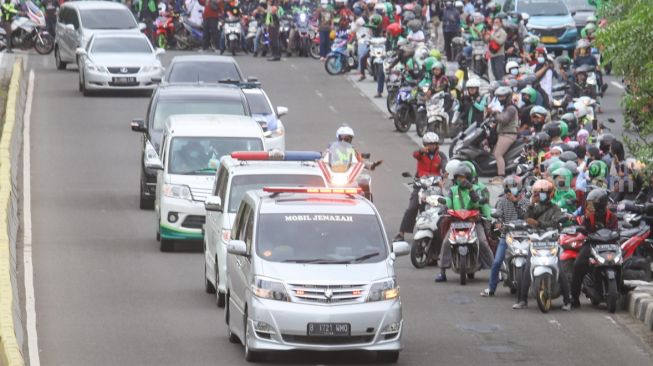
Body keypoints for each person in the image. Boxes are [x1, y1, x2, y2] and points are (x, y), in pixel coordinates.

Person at [514, 179, 572, 310]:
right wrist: (530, 205)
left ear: (550, 194)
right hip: (536, 242)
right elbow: (527, 219)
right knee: (527, 268)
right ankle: (522, 300)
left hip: (551, 242)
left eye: (543, 193)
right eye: (538, 193)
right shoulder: (534, 208)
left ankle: (567, 301)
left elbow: (555, 222)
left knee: (560, 269)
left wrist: (539, 224)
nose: (540, 195)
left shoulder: (555, 208)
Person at [436, 163, 494, 282]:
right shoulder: (453, 190)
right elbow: (449, 201)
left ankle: (495, 271)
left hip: (473, 222)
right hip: (456, 222)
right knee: (446, 242)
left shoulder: (477, 189)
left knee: (483, 242)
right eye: (458, 177)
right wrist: (444, 205)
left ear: (468, 178)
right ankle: (442, 272)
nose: (460, 180)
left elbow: (477, 202)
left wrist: (471, 189)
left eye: (462, 177)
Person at [395, 132, 448, 242]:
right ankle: (401, 233)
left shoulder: (441, 156)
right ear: (425, 144)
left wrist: (445, 174)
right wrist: (421, 151)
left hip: (434, 186)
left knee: (440, 209)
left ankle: (440, 234)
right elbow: (415, 154)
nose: (431, 146)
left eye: (434, 144)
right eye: (429, 144)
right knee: (412, 207)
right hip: (421, 184)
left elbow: (444, 166)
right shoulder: (421, 154)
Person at [570, 188, 618, 308]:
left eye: (593, 204)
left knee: (621, 261)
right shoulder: (589, 216)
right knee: (578, 265)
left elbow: (616, 231)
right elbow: (583, 228)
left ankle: (620, 286)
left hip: (610, 245)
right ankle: (574, 297)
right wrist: (582, 229)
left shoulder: (612, 217)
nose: (590, 206)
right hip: (592, 244)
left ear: (600, 204)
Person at [481, 176, 528, 297]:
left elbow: (526, 216)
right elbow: (498, 216)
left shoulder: (525, 201)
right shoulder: (501, 201)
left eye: (513, 187)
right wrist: (498, 223)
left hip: (524, 235)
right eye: (508, 188)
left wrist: (516, 202)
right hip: (506, 235)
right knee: (497, 262)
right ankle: (491, 288)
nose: (511, 190)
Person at [489, 86, 518, 184]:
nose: (501, 99)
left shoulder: (511, 108)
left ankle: (501, 177)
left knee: (498, 154)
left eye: (502, 97)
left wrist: (495, 114)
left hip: (508, 135)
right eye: (499, 97)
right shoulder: (505, 108)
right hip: (503, 134)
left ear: (508, 97)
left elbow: (504, 119)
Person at [487, 16, 506, 81]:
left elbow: (500, 42)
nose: (495, 24)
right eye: (494, 22)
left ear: (501, 23)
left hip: (499, 56)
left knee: (499, 72)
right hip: (492, 55)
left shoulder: (503, 32)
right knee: (494, 72)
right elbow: (489, 41)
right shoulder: (493, 31)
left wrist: (492, 36)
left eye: (497, 22)